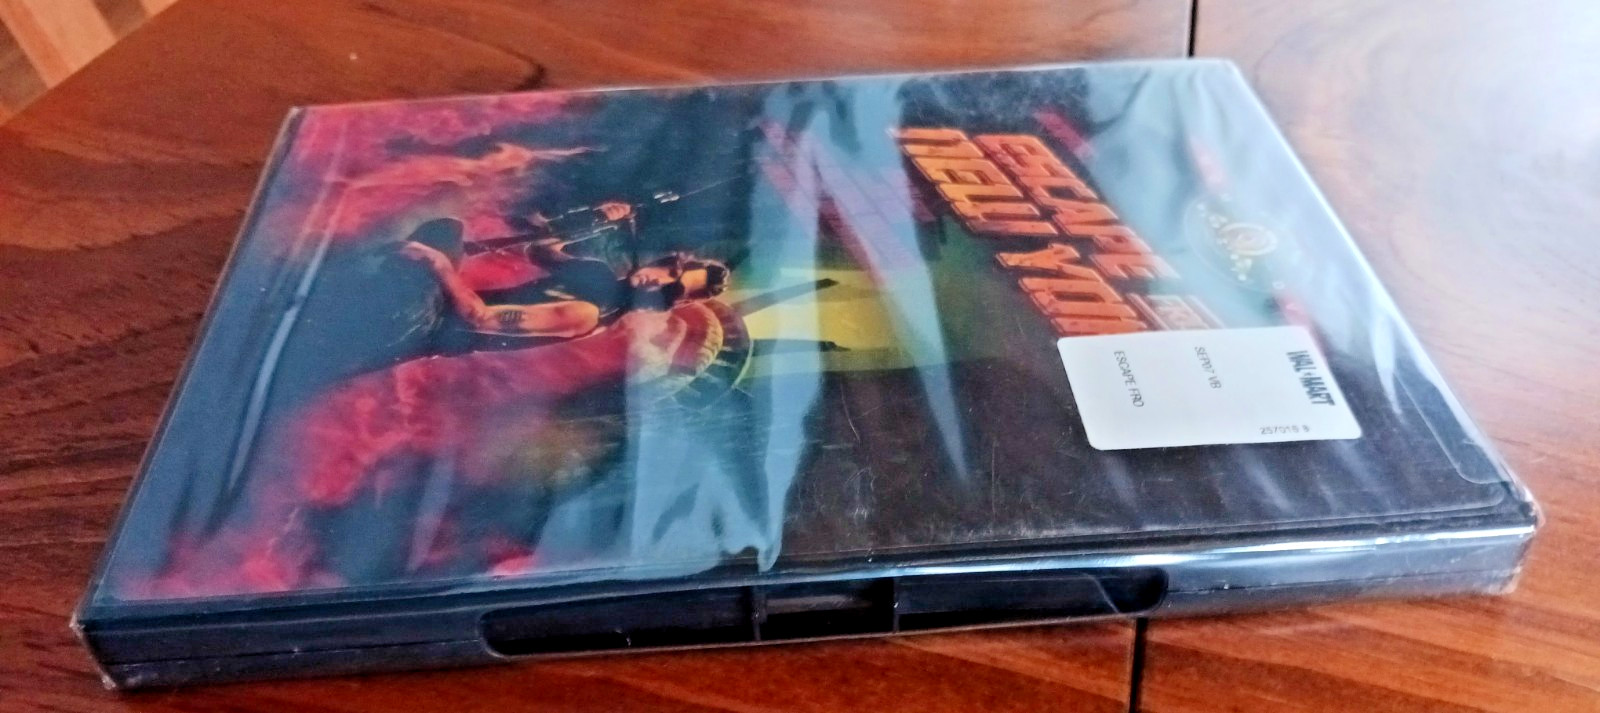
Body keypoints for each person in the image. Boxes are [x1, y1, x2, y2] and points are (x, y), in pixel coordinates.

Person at [398, 205, 730, 351]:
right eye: (670, 271)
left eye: (672, 288)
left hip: (423, 328)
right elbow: (539, 250)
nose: (659, 281)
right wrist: (592, 219)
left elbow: (478, 317)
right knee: (446, 229)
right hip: (431, 306)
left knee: (435, 243)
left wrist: (440, 264)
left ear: (668, 302)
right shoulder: (598, 275)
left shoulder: (587, 314)